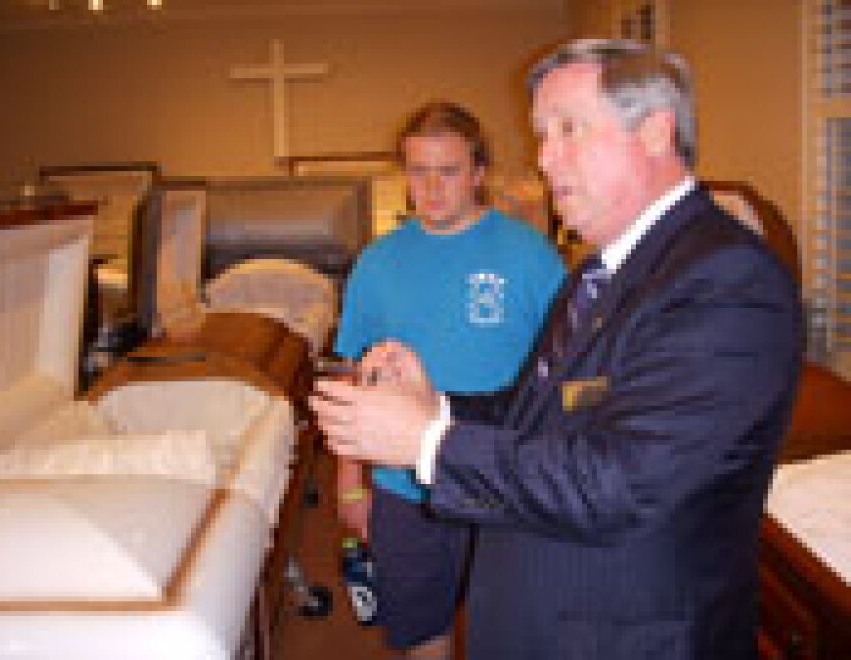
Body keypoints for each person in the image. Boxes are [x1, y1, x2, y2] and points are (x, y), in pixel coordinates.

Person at [311, 39, 802, 659]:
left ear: (655, 132)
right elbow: (537, 414)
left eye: (569, 130)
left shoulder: (725, 277)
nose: (544, 158)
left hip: (619, 634)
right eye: (542, 136)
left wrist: (428, 442)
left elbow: (622, 482)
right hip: (551, 607)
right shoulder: (601, 272)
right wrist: (435, 405)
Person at [332, 101, 565, 658]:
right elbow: (354, 380)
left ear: (479, 172)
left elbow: (566, 373)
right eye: (419, 172)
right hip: (404, 488)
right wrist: (350, 482)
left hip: (502, 479)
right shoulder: (377, 264)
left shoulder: (530, 256)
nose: (432, 189)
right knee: (421, 632)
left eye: (449, 171)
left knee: (511, 632)